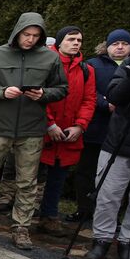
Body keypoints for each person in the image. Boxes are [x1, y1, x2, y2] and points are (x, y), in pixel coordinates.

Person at [0, 12, 67, 249]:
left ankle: (21, 228)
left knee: (27, 182)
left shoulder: (49, 58)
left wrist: (44, 94)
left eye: (35, 35)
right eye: (26, 34)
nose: (30, 39)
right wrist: (1, 92)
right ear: (17, 32)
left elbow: (61, 89)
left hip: (31, 129)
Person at [34, 26, 96, 235]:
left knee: (57, 180)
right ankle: (21, 218)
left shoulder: (87, 70)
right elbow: (38, 97)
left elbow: (89, 100)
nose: (76, 43)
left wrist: (80, 126)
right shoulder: (45, 63)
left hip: (68, 135)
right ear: (60, 42)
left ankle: (49, 217)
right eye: (71, 39)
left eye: (79, 39)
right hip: (42, 132)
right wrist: (49, 124)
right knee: (30, 178)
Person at [84, 51, 130, 259]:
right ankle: (101, 240)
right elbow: (115, 97)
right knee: (108, 195)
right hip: (119, 143)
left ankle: (129, 243)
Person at [78, 30, 130, 222]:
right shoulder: (93, 64)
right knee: (87, 170)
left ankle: (114, 217)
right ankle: (84, 209)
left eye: (124, 43)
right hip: (97, 127)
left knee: (119, 180)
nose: (120, 47)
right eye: (115, 43)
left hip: (123, 132)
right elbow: (86, 91)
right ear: (107, 46)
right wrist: (106, 103)